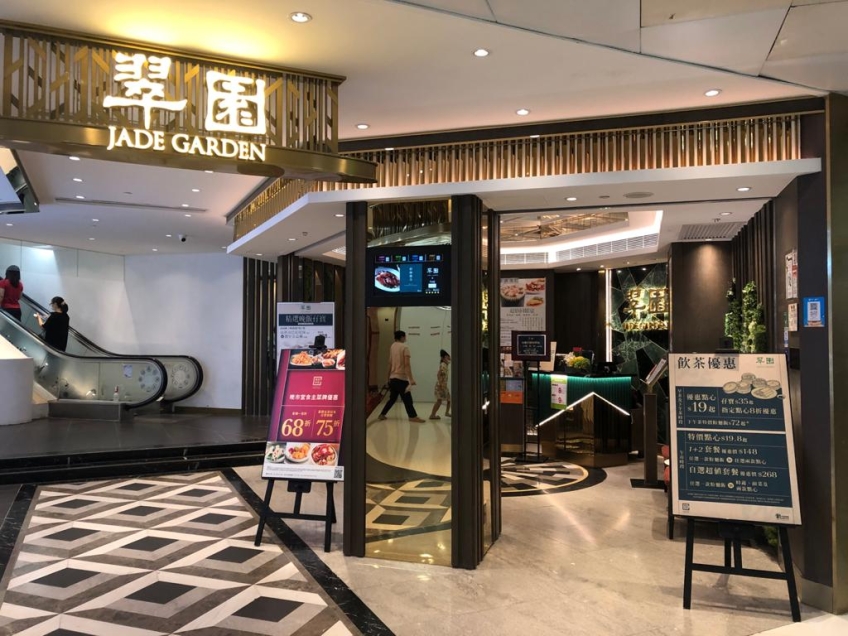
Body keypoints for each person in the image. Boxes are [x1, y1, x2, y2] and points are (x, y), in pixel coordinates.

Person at [378, 330, 425, 422]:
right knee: (407, 399)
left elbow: (390, 363)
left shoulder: (392, 346)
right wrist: (411, 379)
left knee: (392, 399)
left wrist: (388, 378)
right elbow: (407, 364)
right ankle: (412, 416)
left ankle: (382, 414)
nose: (405, 338)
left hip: (393, 378)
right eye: (405, 337)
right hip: (401, 379)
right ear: (402, 337)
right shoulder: (405, 347)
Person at [429, 349, 451, 420]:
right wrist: (441, 383)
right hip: (441, 385)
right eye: (446, 357)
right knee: (439, 401)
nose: (448, 359)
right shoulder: (443, 365)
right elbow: (438, 374)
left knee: (449, 399)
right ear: (443, 358)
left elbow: (450, 360)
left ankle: (447, 413)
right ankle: (432, 415)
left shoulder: (445, 364)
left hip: (444, 385)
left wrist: (447, 357)